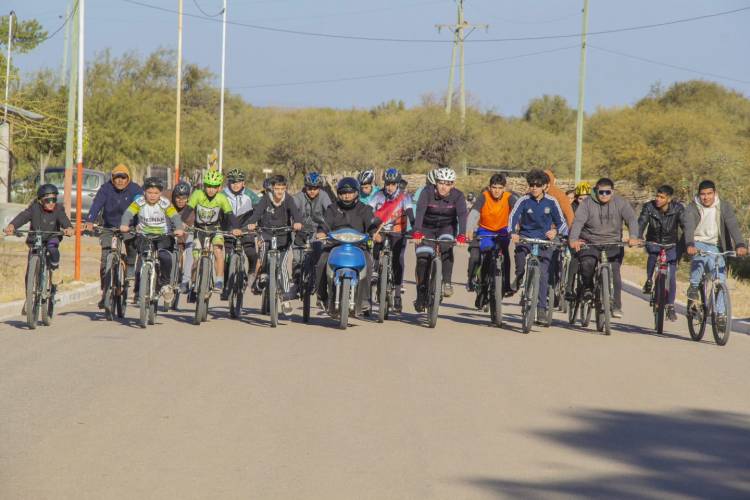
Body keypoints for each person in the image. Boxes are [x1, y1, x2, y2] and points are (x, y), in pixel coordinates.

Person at [568, 178, 640, 318]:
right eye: (601, 192)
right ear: (596, 191)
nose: (604, 195)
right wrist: (573, 239)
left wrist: (633, 236)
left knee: (615, 273)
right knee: (587, 264)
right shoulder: (587, 203)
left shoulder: (621, 203)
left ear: (612, 192)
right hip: (591, 241)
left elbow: (631, 219)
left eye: (608, 192)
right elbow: (578, 222)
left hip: (613, 243)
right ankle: (588, 287)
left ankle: (617, 306)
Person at [683, 179, 747, 330]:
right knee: (699, 260)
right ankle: (693, 286)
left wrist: (740, 244)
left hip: (717, 245)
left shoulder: (723, 207)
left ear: (715, 193)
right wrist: (690, 244)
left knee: (720, 279)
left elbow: (732, 225)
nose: (706, 197)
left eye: (709, 194)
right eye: (703, 194)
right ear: (699, 195)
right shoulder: (692, 208)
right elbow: (688, 227)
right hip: (697, 241)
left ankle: (720, 314)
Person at [508, 169, 567, 326]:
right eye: (531, 184)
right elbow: (513, 217)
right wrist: (513, 232)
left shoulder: (552, 201)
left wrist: (555, 231)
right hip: (525, 237)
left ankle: (541, 309)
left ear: (545, 186)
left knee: (543, 275)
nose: (534, 187)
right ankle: (520, 277)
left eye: (538, 185)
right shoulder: (524, 200)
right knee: (520, 261)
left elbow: (562, 223)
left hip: (543, 241)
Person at [5, 185, 74, 313]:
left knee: (53, 249)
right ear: (41, 200)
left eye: (53, 199)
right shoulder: (34, 208)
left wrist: (68, 228)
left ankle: (54, 268)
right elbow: (23, 216)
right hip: (36, 238)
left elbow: (64, 220)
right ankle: (29, 298)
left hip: (52, 237)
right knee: (29, 271)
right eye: (48, 200)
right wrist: (12, 225)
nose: (51, 203)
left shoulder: (58, 209)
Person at [315, 177, 380, 312]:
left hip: (359, 246)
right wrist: (321, 232)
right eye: (343, 192)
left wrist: (375, 233)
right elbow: (325, 224)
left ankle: (364, 299)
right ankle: (322, 296)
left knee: (368, 262)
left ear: (356, 193)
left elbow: (372, 225)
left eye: (350, 192)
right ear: (339, 193)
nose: (347, 195)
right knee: (322, 261)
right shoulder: (332, 208)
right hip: (334, 245)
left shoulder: (365, 209)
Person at [84, 164, 143, 307]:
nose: (120, 180)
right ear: (112, 178)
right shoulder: (106, 189)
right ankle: (105, 292)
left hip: (129, 227)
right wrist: (90, 220)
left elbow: (141, 204)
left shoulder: (135, 189)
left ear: (128, 178)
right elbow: (97, 204)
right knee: (105, 258)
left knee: (133, 246)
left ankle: (129, 269)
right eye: (117, 177)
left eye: (123, 177)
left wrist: (140, 223)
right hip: (109, 227)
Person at [119, 177, 185, 302]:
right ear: (144, 192)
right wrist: (124, 224)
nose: (152, 196)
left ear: (160, 193)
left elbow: (175, 217)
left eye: (156, 193)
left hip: (163, 236)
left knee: (165, 256)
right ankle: (139, 290)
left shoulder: (165, 203)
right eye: (149, 192)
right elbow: (128, 213)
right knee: (142, 259)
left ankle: (165, 285)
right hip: (144, 235)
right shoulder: (139, 202)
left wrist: (179, 228)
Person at [412, 167, 468, 311]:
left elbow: (462, 215)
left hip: (446, 227)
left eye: (448, 183)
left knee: (446, 246)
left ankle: (447, 282)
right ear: (435, 183)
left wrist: (462, 234)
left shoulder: (458, 196)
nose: (444, 187)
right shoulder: (427, 193)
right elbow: (419, 212)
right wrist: (417, 231)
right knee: (423, 258)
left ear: (453, 184)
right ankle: (421, 292)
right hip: (426, 228)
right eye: (441, 183)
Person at [247, 175, 303, 313]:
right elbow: (257, 213)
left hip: (283, 236)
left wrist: (297, 222)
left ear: (285, 189)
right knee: (264, 251)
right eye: (277, 188)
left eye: (282, 189)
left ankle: (285, 299)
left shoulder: (288, 199)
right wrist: (252, 222)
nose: (279, 192)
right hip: (266, 233)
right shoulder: (266, 199)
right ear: (272, 189)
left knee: (283, 266)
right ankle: (263, 274)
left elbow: (296, 214)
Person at [180, 169, 240, 292]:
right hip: (199, 229)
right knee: (196, 258)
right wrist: (181, 223)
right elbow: (187, 210)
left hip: (215, 229)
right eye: (208, 186)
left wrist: (236, 228)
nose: (211, 189)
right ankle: (192, 284)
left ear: (219, 187)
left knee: (218, 251)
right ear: (204, 185)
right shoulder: (197, 194)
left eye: (214, 187)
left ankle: (219, 280)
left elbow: (229, 215)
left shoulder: (222, 198)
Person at [368, 168, 415, 312]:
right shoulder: (378, 195)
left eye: (393, 184)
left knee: (398, 260)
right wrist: (368, 228)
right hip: (381, 230)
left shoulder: (404, 197)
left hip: (398, 232)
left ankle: (397, 294)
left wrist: (414, 229)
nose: (390, 187)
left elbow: (410, 213)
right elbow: (368, 211)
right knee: (376, 244)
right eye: (388, 184)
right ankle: (375, 270)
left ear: (397, 184)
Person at [638, 185, 686, 322]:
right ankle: (648, 280)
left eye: (662, 197)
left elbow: (685, 226)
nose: (658, 199)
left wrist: (687, 243)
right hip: (653, 241)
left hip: (671, 244)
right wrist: (637, 236)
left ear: (669, 199)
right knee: (653, 256)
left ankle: (670, 305)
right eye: (657, 196)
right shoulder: (649, 207)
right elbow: (641, 222)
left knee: (671, 275)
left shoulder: (678, 209)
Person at [466, 173, 516, 299]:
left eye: (500, 188)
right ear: (489, 187)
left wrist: (518, 228)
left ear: (504, 188)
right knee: (487, 254)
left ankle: (506, 285)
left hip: (503, 231)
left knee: (505, 254)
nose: (497, 191)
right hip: (485, 231)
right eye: (494, 187)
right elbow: (474, 213)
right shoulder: (484, 196)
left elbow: (518, 212)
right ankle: (483, 284)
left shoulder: (509, 197)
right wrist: (469, 229)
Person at [221, 168, 260, 300]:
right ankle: (226, 286)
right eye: (232, 182)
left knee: (251, 253)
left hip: (246, 228)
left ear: (243, 183)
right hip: (228, 229)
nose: (235, 184)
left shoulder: (250, 194)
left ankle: (251, 272)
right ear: (228, 183)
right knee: (226, 259)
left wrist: (255, 224)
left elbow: (260, 209)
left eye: (238, 182)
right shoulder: (222, 194)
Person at [292, 171, 332, 296]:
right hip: (300, 230)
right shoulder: (298, 197)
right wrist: (294, 223)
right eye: (309, 188)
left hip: (317, 230)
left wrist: (325, 230)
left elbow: (331, 213)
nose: (312, 191)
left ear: (319, 188)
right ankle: (297, 282)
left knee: (318, 256)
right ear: (305, 187)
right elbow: (291, 209)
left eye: (315, 188)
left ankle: (317, 282)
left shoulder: (324, 196)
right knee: (297, 259)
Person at [170, 181, 194, 294]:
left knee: (193, 253)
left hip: (187, 238)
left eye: (184, 198)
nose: (180, 201)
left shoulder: (192, 208)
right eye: (178, 197)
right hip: (172, 238)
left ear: (188, 198)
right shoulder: (169, 206)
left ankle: (189, 283)